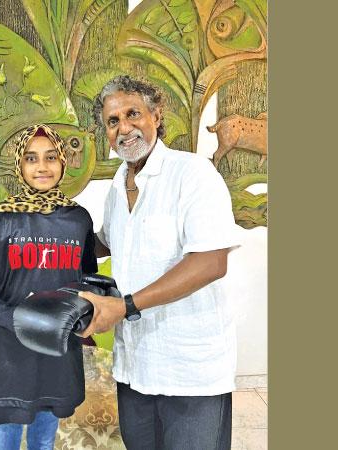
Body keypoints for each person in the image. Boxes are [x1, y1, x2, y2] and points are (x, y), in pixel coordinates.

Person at [78, 75, 242, 450]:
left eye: (132, 113)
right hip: (135, 366)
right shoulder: (117, 187)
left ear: (156, 114)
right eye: (113, 121)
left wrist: (126, 306)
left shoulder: (193, 174)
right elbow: (106, 242)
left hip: (189, 369)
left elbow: (211, 261)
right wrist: (46, 227)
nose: (124, 128)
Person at [0, 124, 99, 450]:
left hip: (56, 352)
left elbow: (86, 283)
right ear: (19, 166)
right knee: (3, 444)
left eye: (51, 157)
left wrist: (82, 316)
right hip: (9, 356)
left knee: (43, 443)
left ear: (63, 162)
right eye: (31, 158)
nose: (42, 167)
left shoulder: (78, 218)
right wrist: (21, 321)